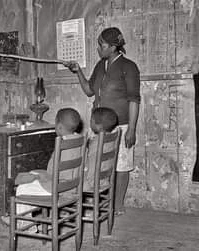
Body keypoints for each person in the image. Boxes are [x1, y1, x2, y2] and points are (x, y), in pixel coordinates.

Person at [64, 27, 141, 216]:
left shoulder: (128, 67)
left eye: (102, 44)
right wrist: (78, 71)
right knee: (96, 165)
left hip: (120, 126)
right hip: (97, 126)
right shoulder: (100, 65)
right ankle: (97, 203)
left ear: (114, 46)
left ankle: (118, 205)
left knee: (121, 167)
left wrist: (131, 129)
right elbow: (89, 91)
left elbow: (134, 100)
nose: (99, 48)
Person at [1, 107, 82, 227]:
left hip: (58, 189)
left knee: (23, 188)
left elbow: (52, 173)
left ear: (59, 127)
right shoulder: (80, 141)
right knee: (34, 175)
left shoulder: (62, 145)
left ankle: (23, 223)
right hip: (74, 187)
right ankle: (27, 219)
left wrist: (40, 177)